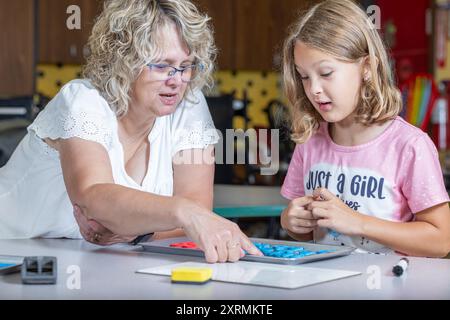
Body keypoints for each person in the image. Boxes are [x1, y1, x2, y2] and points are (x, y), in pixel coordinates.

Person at [0, 0, 261, 263]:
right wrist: (182, 211)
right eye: (162, 65)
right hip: (9, 253)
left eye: (186, 65)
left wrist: (137, 234)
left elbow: (197, 215)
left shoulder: (189, 106)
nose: (178, 80)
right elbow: (93, 197)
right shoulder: (81, 100)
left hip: (82, 260)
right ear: (124, 61)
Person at [280, 0, 450, 257]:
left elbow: (441, 241)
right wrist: (290, 221)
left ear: (367, 69)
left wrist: (357, 222)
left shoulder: (409, 146)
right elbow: (304, 230)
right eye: (304, 76)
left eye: (326, 73)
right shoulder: (310, 142)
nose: (313, 88)